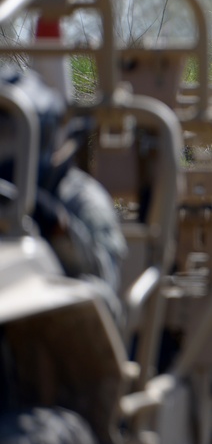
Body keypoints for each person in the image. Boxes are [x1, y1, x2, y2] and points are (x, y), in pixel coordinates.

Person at [0, 66, 126, 325]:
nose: (6, 149)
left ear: (42, 136)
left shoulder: (81, 197)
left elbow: (105, 282)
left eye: (13, 135)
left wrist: (57, 225)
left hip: (52, 328)